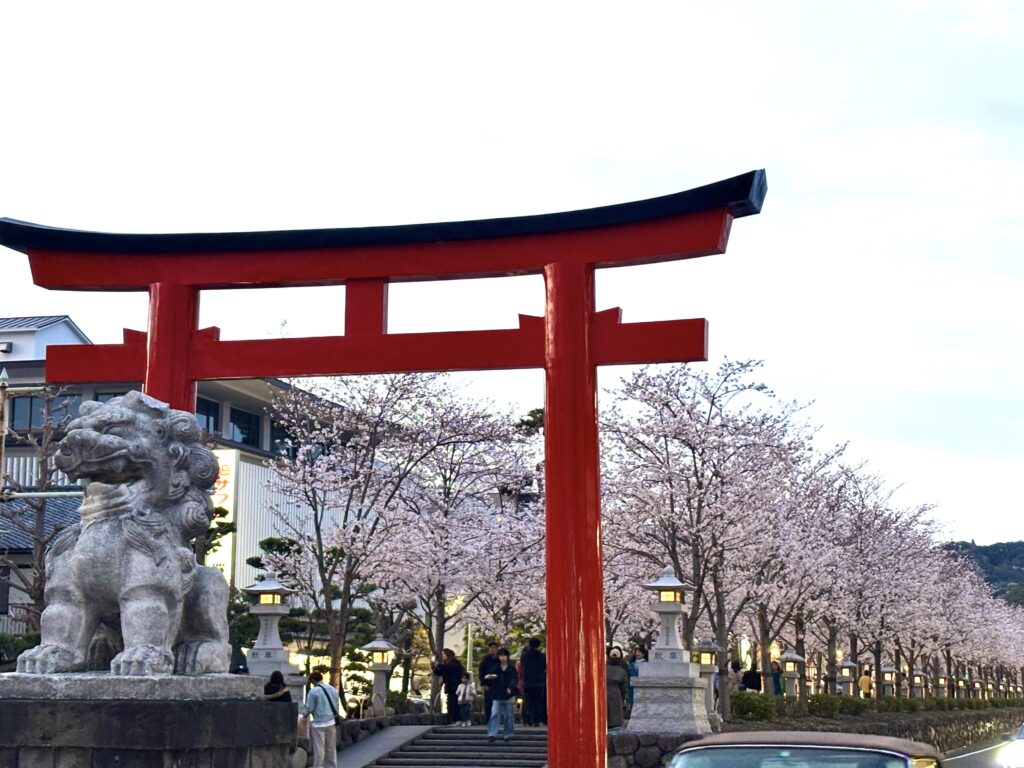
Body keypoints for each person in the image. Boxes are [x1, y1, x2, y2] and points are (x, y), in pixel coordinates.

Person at [300, 671, 340, 768]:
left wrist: (303, 715)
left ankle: (319, 766)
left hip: (318, 724)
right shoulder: (332, 689)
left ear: (313, 680)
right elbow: (336, 704)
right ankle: (331, 766)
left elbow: (309, 708)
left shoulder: (313, 692)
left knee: (319, 748)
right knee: (330, 748)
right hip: (331, 722)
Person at [484, 647, 518, 742]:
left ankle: (508, 734)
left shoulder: (511, 668)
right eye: (501, 655)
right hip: (497, 694)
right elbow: (488, 676)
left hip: (508, 694)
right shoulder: (495, 667)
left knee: (508, 716)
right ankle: (492, 734)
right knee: (494, 713)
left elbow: (514, 679)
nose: (502, 658)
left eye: (504, 655)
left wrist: (510, 688)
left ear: (507, 657)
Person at [432, 648, 466, 725]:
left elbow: (449, 668)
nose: (443, 656)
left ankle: (457, 719)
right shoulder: (445, 665)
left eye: (444, 654)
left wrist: (439, 665)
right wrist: (434, 668)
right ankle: (453, 719)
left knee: (454, 704)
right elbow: (440, 672)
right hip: (449, 686)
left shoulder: (455, 663)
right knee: (450, 704)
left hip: (456, 686)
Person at [520, 637, 547, 726]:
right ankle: (536, 719)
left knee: (528, 700)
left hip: (527, 681)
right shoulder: (542, 656)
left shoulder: (524, 655)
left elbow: (522, 665)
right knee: (537, 701)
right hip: (539, 682)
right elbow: (544, 667)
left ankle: (527, 718)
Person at [479, 642, 501, 725]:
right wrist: (483, 683)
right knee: (488, 703)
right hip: (488, 684)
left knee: (497, 703)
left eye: (494, 648)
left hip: (498, 684)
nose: (492, 649)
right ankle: (488, 720)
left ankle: (496, 720)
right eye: (491, 648)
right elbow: (481, 672)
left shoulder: (499, 659)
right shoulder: (485, 659)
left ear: (497, 649)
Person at [606, 649, 630, 730]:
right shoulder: (622, 671)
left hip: (602, 691)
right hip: (615, 692)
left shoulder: (602, 668)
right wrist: (625, 699)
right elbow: (625, 687)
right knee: (615, 713)